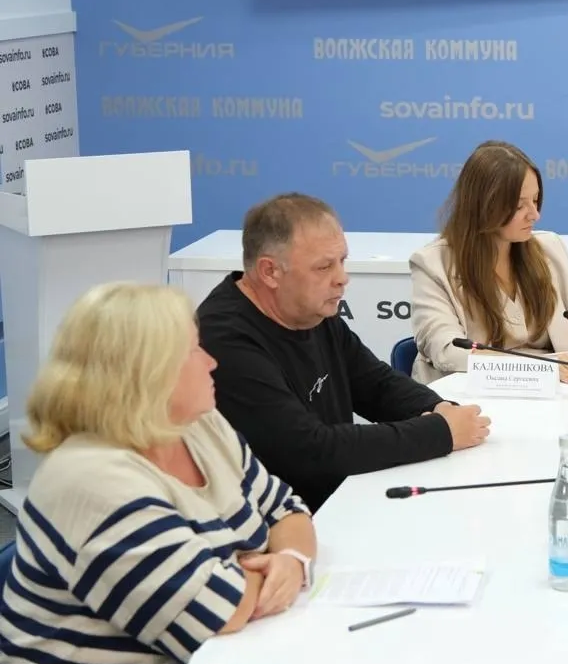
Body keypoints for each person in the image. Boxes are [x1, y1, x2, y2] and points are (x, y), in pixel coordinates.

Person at [0, 282, 318, 664]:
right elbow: (218, 614)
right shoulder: (92, 479)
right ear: (146, 372)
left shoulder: (199, 426)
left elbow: (289, 510)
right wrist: (262, 570)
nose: (212, 361)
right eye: (194, 350)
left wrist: (291, 560)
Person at [197, 193, 491, 512]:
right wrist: (439, 432)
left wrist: (437, 407)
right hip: (278, 525)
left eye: (342, 261)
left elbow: (376, 385)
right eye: (324, 267)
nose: (342, 278)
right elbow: (310, 450)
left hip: (337, 502)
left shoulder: (309, 311)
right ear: (270, 272)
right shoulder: (226, 340)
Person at [409, 140, 568, 384]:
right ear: (483, 205)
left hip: (549, 396)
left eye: (535, 201)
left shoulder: (549, 250)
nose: (534, 214)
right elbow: (448, 352)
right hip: (467, 399)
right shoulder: (433, 264)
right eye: (520, 205)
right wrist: (539, 367)